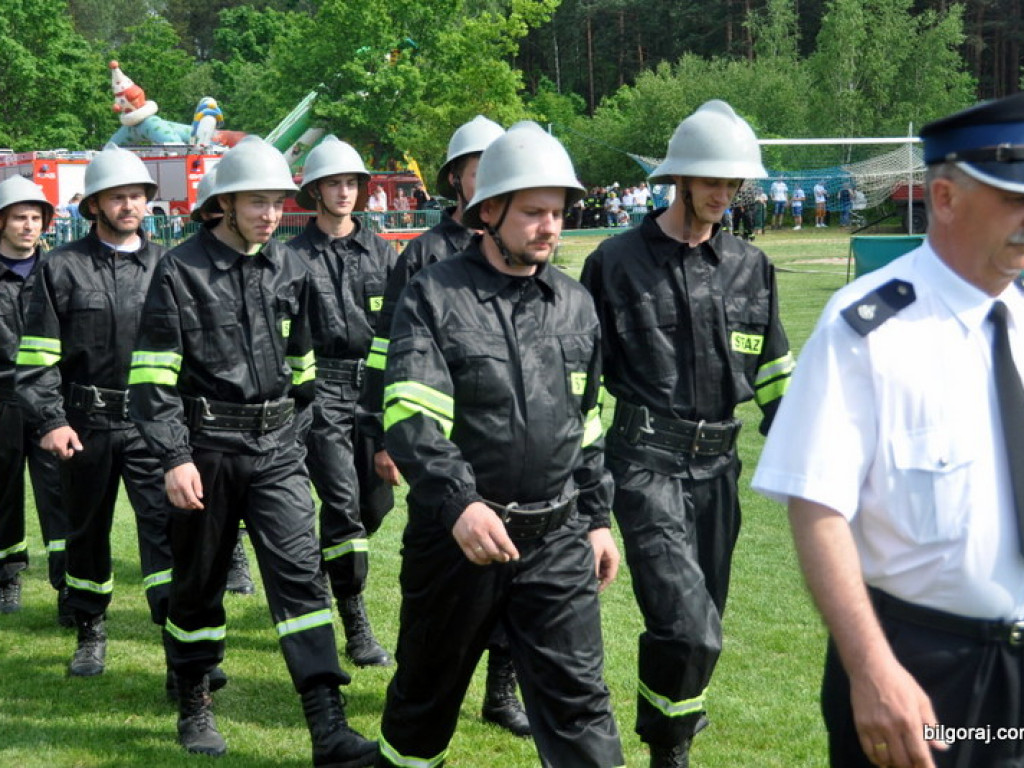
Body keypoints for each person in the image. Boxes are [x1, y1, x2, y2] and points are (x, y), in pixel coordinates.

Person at [752, 93, 1024, 768]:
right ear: (945, 196)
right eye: (1013, 199)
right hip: (920, 670)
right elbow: (817, 509)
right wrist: (871, 668)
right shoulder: (867, 329)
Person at [376, 121, 624, 768]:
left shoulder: (575, 305)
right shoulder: (434, 295)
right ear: (490, 211)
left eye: (558, 213)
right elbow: (412, 415)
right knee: (422, 707)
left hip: (558, 543)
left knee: (582, 711)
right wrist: (459, 503)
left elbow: (589, 425)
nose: (550, 227)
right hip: (457, 546)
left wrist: (597, 520)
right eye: (534, 212)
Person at [127, 136, 376, 765]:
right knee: (199, 587)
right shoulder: (179, 269)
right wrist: (175, 457)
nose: (269, 214)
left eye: (277, 202)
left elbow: (306, 365)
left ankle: (328, 727)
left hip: (278, 449)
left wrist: (298, 433)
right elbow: (153, 378)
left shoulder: (293, 268)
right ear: (225, 204)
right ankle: (194, 701)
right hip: (205, 451)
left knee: (300, 582)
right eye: (256, 202)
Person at [580, 100, 794, 768]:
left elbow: (776, 375)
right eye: (712, 180)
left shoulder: (750, 266)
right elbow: (584, 386)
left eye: (734, 183)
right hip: (645, 465)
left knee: (704, 628)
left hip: (719, 471)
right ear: (680, 179)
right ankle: (669, 752)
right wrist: (589, 501)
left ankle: (670, 736)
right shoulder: (614, 263)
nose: (723, 194)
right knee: (688, 627)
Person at [358, 114, 534, 738]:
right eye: (476, 164)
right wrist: (384, 435)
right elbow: (387, 351)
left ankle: (502, 692)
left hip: (510, 445)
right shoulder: (424, 256)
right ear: (456, 178)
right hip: (440, 449)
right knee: (434, 573)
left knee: (515, 570)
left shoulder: (527, 256)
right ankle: (425, 675)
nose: (488, 173)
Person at [15, 144, 179, 686]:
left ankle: (175, 638)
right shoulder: (60, 267)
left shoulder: (167, 266)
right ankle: (90, 629)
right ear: (95, 205)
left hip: (153, 424)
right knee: (86, 532)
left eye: (137, 195)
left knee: (167, 529)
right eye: (117, 196)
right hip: (84, 425)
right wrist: (50, 421)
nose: (129, 204)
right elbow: (38, 357)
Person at [288, 135, 397, 670]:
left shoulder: (383, 251)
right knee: (342, 505)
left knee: (374, 507)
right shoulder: (290, 257)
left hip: (373, 395)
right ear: (315, 191)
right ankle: (355, 624)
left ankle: (328, 565)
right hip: (320, 395)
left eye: (352, 183)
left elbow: (402, 329)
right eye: (334, 183)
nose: (345, 192)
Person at [0, 177, 69, 623]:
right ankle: (7, 578)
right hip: (2, 399)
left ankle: (69, 586)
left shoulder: (58, 272)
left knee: (61, 496)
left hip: (49, 403)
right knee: (2, 495)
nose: (29, 226)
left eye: (36, 218)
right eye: (19, 217)